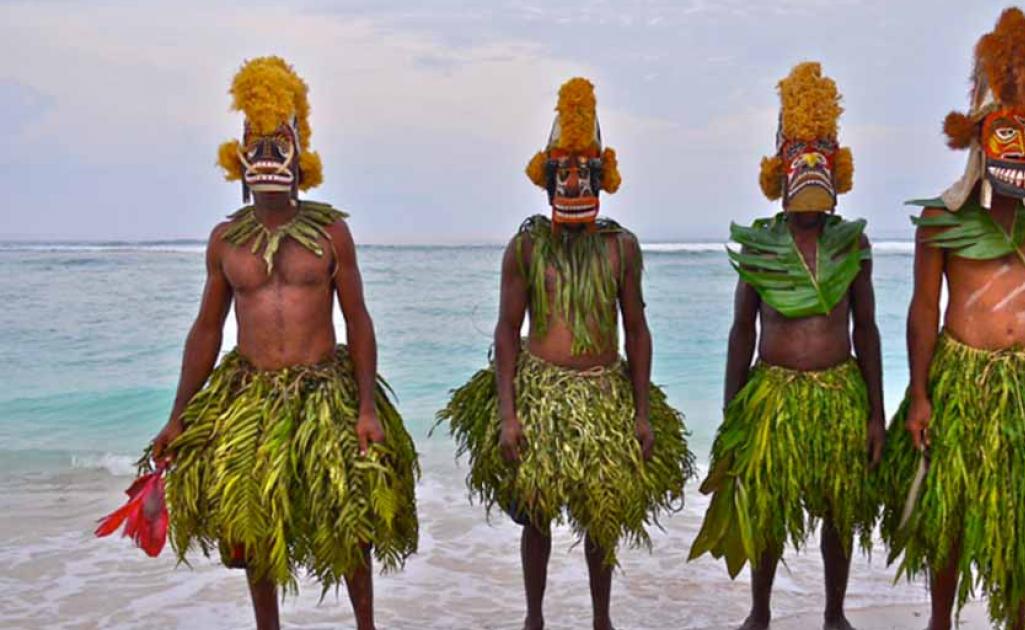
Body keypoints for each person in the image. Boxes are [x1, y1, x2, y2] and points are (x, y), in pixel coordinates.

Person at [146, 56, 419, 630]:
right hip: (251, 394)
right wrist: (179, 416)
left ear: (301, 156)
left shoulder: (330, 235)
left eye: (280, 142)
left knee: (350, 518)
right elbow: (206, 330)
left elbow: (359, 320)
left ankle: (365, 624)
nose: (268, 154)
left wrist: (367, 407)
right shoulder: (226, 241)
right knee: (254, 522)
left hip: (325, 390)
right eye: (256, 143)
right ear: (239, 158)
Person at [878, 9, 1025, 630]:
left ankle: (1017, 622)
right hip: (964, 380)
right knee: (950, 515)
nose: (1019, 145)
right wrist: (920, 396)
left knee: (1024, 519)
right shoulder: (940, 221)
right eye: (1005, 132)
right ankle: (941, 621)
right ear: (979, 136)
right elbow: (922, 310)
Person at [436, 77, 694, 630]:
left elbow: (638, 329)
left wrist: (642, 413)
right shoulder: (526, 247)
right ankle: (535, 618)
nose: (574, 180)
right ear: (547, 178)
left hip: (603, 391)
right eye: (564, 171)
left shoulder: (620, 247)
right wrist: (508, 413)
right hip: (540, 390)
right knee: (537, 515)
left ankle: (602, 619)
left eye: (584, 171)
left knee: (601, 517)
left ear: (603, 177)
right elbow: (507, 331)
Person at [688, 62, 885, 630]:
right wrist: (732, 416)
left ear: (837, 170)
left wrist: (876, 411)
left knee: (838, 511)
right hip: (772, 395)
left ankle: (834, 614)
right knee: (766, 510)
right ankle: (760, 612)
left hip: (837, 393)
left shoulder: (853, 243)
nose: (810, 174)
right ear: (780, 172)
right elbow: (741, 332)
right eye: (800, 162)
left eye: (820, 161)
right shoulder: (761, 245)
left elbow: (865, 330)